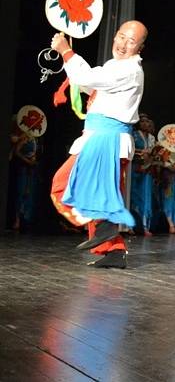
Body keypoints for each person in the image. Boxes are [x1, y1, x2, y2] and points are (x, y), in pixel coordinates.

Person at [49, 20, 148, 269]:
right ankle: (113, 250)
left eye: (131, 41)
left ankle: (105, 222)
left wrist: (65, 51)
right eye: (121, 36)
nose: (124, 43)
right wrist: (71, 76)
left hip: (106, 140)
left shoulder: (130, 71)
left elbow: (86, 76)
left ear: (140, 48)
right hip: (102, 139)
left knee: (62, 186)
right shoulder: (114, 66)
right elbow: (88, 82)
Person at [131, 114, 156, 235]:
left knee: (146, 197)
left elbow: (153, 152)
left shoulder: (151, 137)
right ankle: (132, 226)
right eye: (142, 122)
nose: (145, 124)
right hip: (135, 168)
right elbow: (129, 149)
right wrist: (141, 152)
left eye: (147, 121)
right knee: (134, 196)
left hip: (148, 169)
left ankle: (145, 226)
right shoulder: (134, 135)